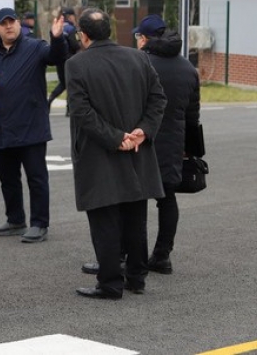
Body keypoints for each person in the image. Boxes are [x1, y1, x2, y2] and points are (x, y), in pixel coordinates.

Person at [81, 14, 201, 278]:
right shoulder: (188, 68)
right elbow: (193, 116)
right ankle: (162, 256)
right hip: (173, 145)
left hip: (139, 140)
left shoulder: (139, 61)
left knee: (131, 204)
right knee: (167, 200)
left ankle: (122, 258)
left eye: (138, 36)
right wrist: (190, 149)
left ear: (144, 39)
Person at [67, 8, 167, 300]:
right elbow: (158, 98)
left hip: (99, 154)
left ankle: (110, 282)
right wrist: (142, 132)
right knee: (136, 216)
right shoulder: (138, 57)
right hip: (137, 150)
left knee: (104, 219)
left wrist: (115, 138)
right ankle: (136, 278)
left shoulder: (76, 64)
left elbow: (82, 112)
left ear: (83, 35)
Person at [0, 7, 67, 243]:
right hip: (2, 127)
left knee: (37, 179)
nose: (9, 26)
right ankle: (15, 219)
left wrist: (57, 38)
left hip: (32, 128)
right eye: (3, 23)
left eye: (12, 21)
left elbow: (57, 58)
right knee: (8, 179)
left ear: (18, 24)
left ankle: (39, 224)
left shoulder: (35, 47)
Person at [48, 8, 81, 105]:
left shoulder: (58, 27)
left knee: (63, 83)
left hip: (59, 60)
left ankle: (51, 98)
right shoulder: (72, 29)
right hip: (70, 59)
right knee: (71, 83)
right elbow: (75, 44)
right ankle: (69, 108)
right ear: (71, 17)